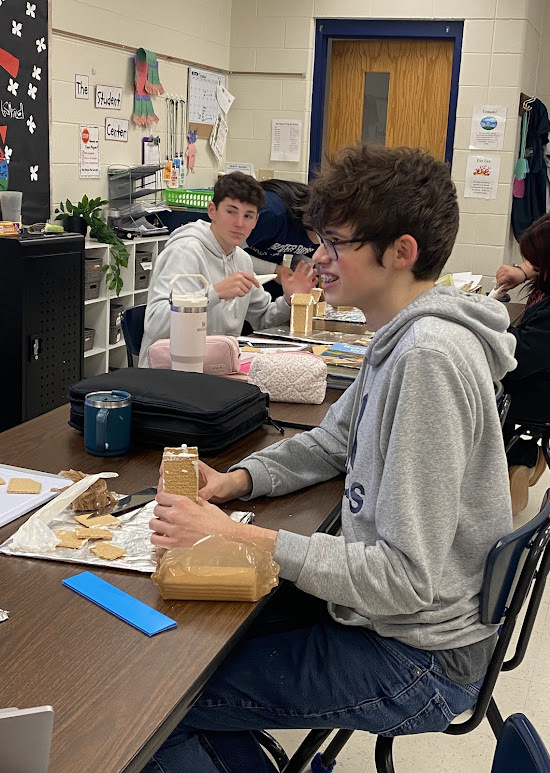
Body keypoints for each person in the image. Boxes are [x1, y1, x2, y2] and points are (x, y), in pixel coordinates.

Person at [143, 145, 516, 773]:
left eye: (335, 243)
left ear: (401, 251)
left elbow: (403, 579)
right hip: (389, 618)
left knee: (160, 702)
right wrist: (237, 481)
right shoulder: (396, 335)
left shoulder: (429, 358)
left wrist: (242, 540)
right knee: (194, 638)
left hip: (417, 655)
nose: (318, 259)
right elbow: (333, 443)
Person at [138, 172, 317, 366]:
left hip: (217, 369)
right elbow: (156, 325)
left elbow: (263, 320)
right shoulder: (185, 252)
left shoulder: (241, 260)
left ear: (256, 220)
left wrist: (289, 301)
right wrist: (216, 293)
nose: (239, 223)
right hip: (170, 372)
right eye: (231, 212)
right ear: (212, 211)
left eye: (248, 216)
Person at [502, 210, 550, 513]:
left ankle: (516, 458)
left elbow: (518, 361)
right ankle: (522, 455)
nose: (536, 270)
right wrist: (523, 271)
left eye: (539, 263)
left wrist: (491, 322)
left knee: (481, 396)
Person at [244, 179, 318, 299]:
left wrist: (300, 284)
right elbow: (229, 254)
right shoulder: (272, 213)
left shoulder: (324, 232)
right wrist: (274, 270)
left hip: (267, 274)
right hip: (233, 272)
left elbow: (303, 259)